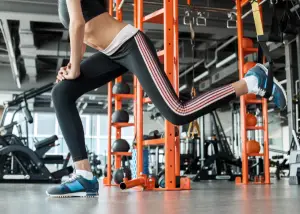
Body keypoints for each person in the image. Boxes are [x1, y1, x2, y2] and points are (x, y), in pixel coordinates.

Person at [46, 0, 287, 197]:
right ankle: (85, 176)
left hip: (130, 45)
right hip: (110, 53)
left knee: (178, 112)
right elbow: (87, 27)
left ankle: (253, 81)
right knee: (62, 92)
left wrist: (75, 68)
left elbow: (78, 24)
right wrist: (72, 67)